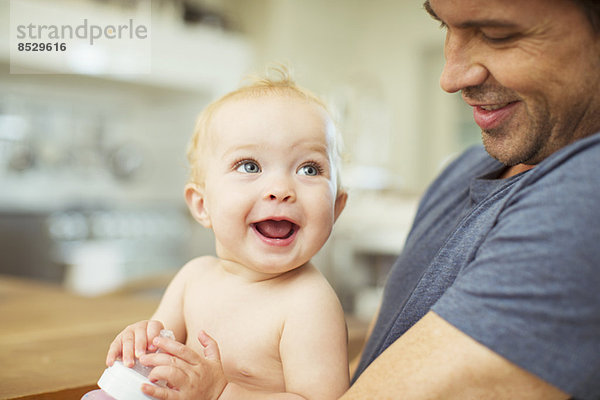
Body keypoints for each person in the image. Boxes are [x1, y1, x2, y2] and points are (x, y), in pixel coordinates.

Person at [343, 0, 600, 399]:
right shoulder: (463, 171)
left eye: (497, 35)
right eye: (443, 26)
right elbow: (368, 370)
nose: (451, 77)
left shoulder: (589, 190)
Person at [105, 67, 350, 399]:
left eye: (309, 168)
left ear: (335, 208)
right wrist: (139, 342)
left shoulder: (309, 304)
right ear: (202, 205)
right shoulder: (192, 278)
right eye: (249, 166)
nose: (280, 189)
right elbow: (158, 356)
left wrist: (221, 393)